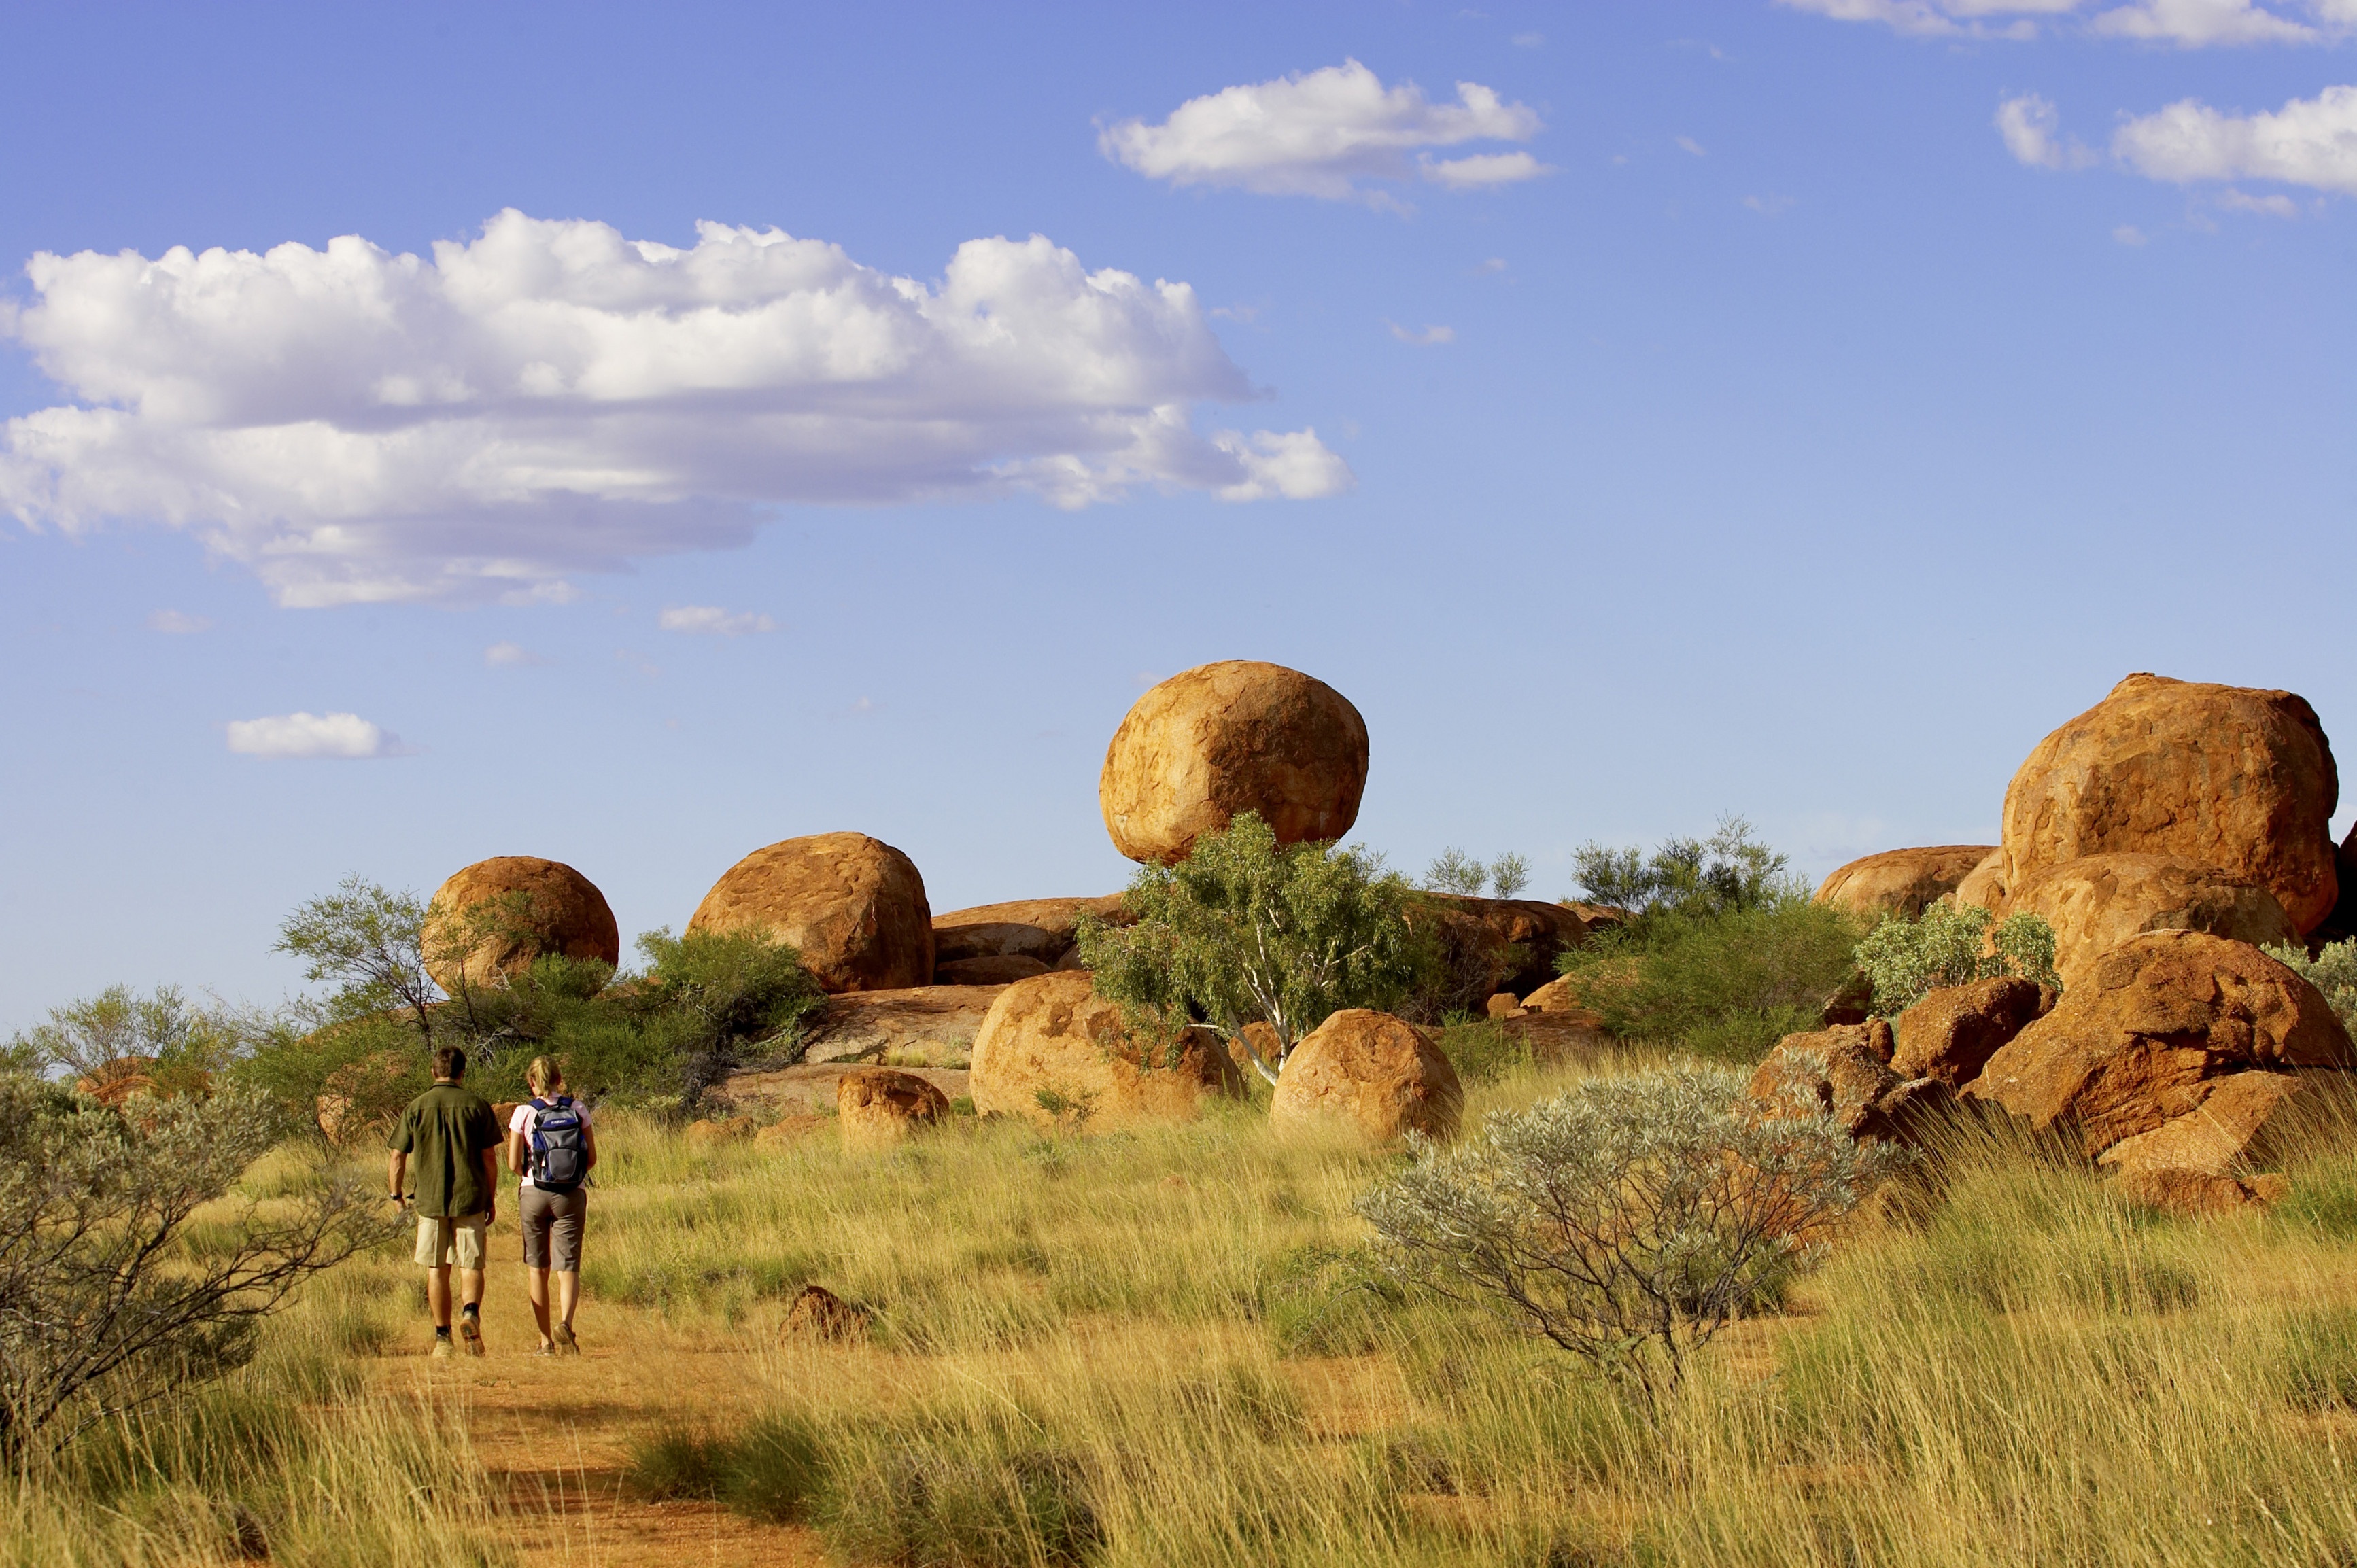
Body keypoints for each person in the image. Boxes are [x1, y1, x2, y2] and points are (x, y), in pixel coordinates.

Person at [387, 1045, 503, 1359]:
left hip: (430, 1201)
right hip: (471, 1198)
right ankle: (470, 1313)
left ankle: (442, 1340)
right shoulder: (477, 1106)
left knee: (437, 1269)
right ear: (463, 1073)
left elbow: (397, 1155)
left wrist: (396, 1196)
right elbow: (490, 1157)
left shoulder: (416, 1107)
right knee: (471, 1263)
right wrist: (489, 1197)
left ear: (433, 1072)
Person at [506, 1056, 596, 1356]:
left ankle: (545, 1342)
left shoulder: (522, 1113)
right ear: (559, 1080)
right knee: (567, 1265)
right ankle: (566, 1327)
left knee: (537, 1268)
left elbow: (512, 1163)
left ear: (531, 1083)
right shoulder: (577, 1109)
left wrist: (532, 1176)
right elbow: (591, 1158)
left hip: (533, 1193)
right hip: (571, 1194)